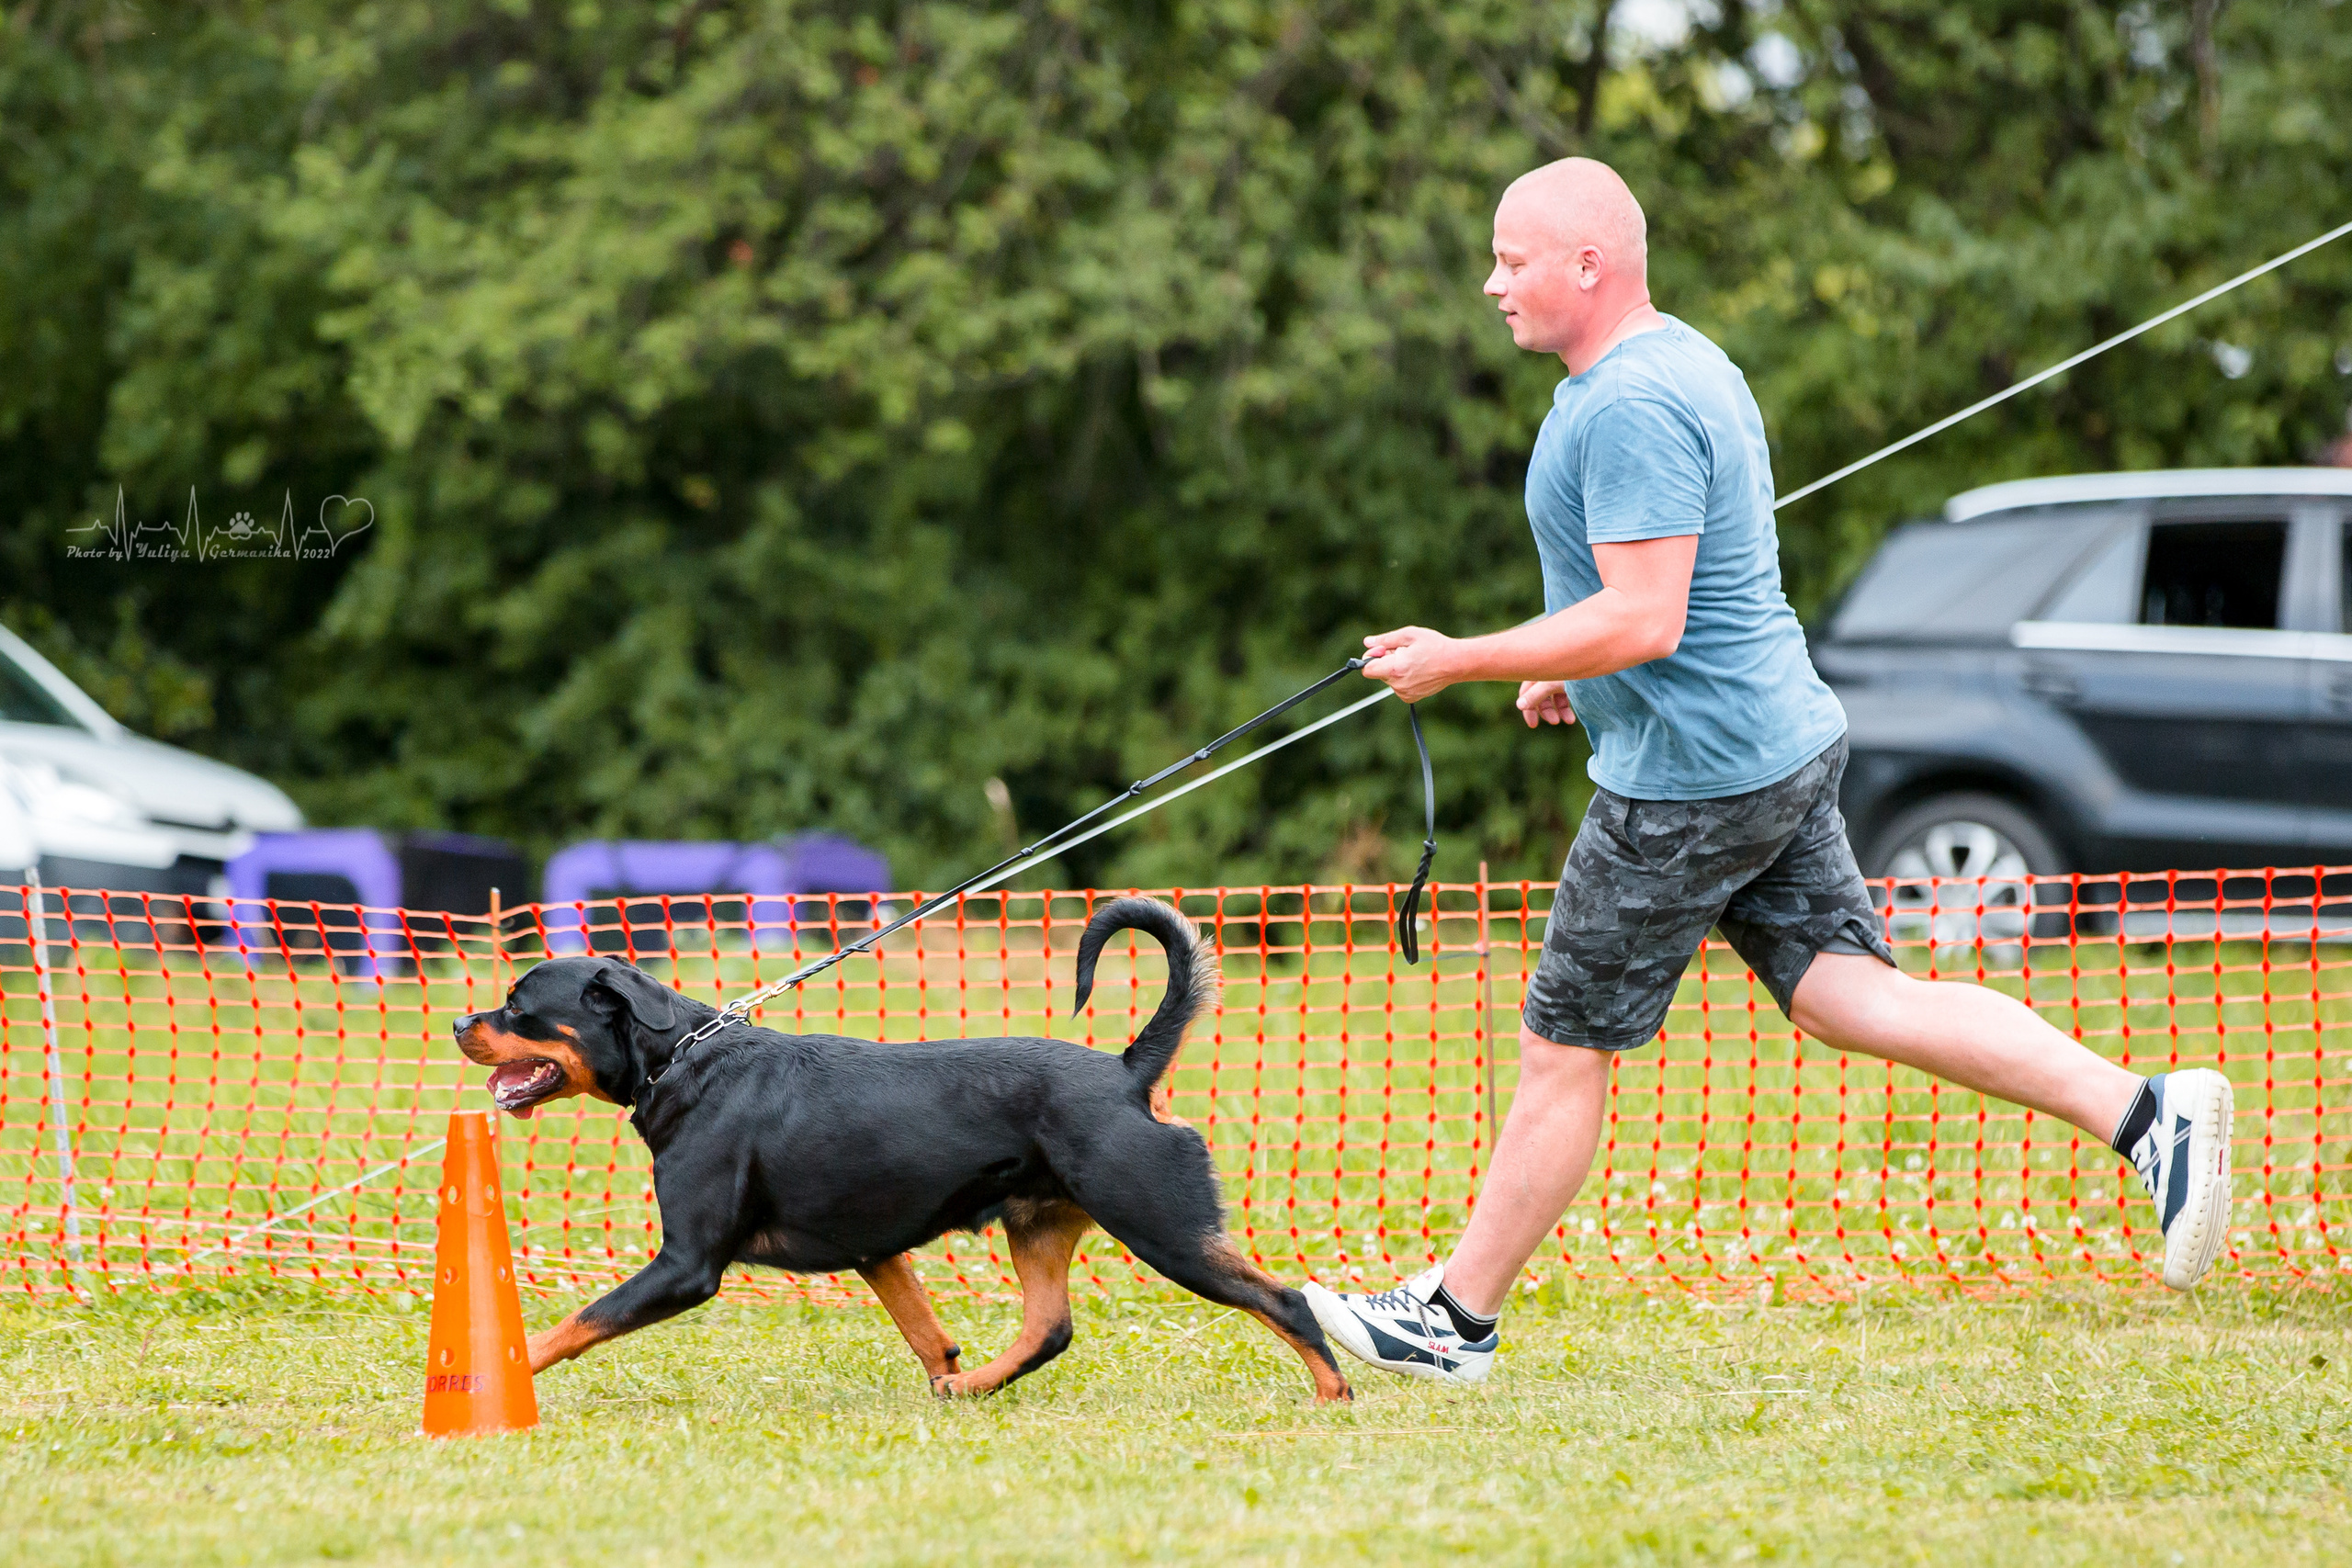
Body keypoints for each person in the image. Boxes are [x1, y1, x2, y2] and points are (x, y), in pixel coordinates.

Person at [1303, 157, 2235, 1386]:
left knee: (1562, 1045)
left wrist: (1465, 657)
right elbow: (1675, 594)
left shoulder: (1625, 404)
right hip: (1775, 746)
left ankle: (1454, 1319)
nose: (1492, 284)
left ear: (1590, 263)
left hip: (1689, 784)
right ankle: (2146, 1113)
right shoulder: (1685, 358)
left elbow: (1648, 617)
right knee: (1847, 995)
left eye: (1511, 259)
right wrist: (1569, 669)